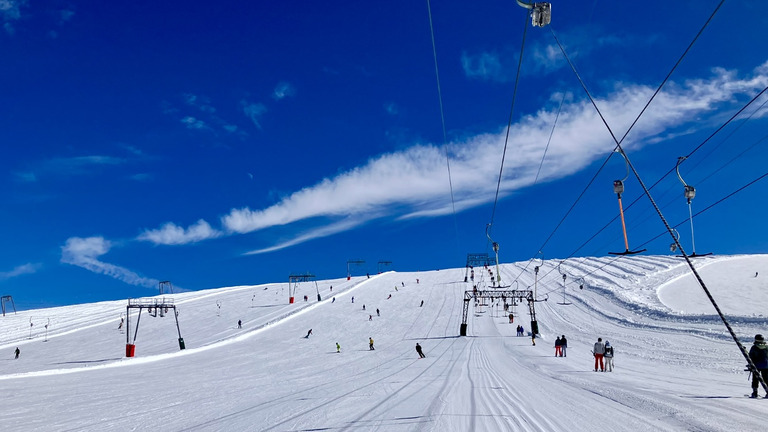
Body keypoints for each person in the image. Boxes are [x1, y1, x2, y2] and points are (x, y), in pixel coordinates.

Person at [749, 334, 768, 398]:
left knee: (755, 379)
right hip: (766, 365)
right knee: (766, 379)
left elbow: (750, 357)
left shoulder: (754, 347)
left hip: (756, 365)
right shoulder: (766, 347)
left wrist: (750, 365)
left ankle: (755, 392)